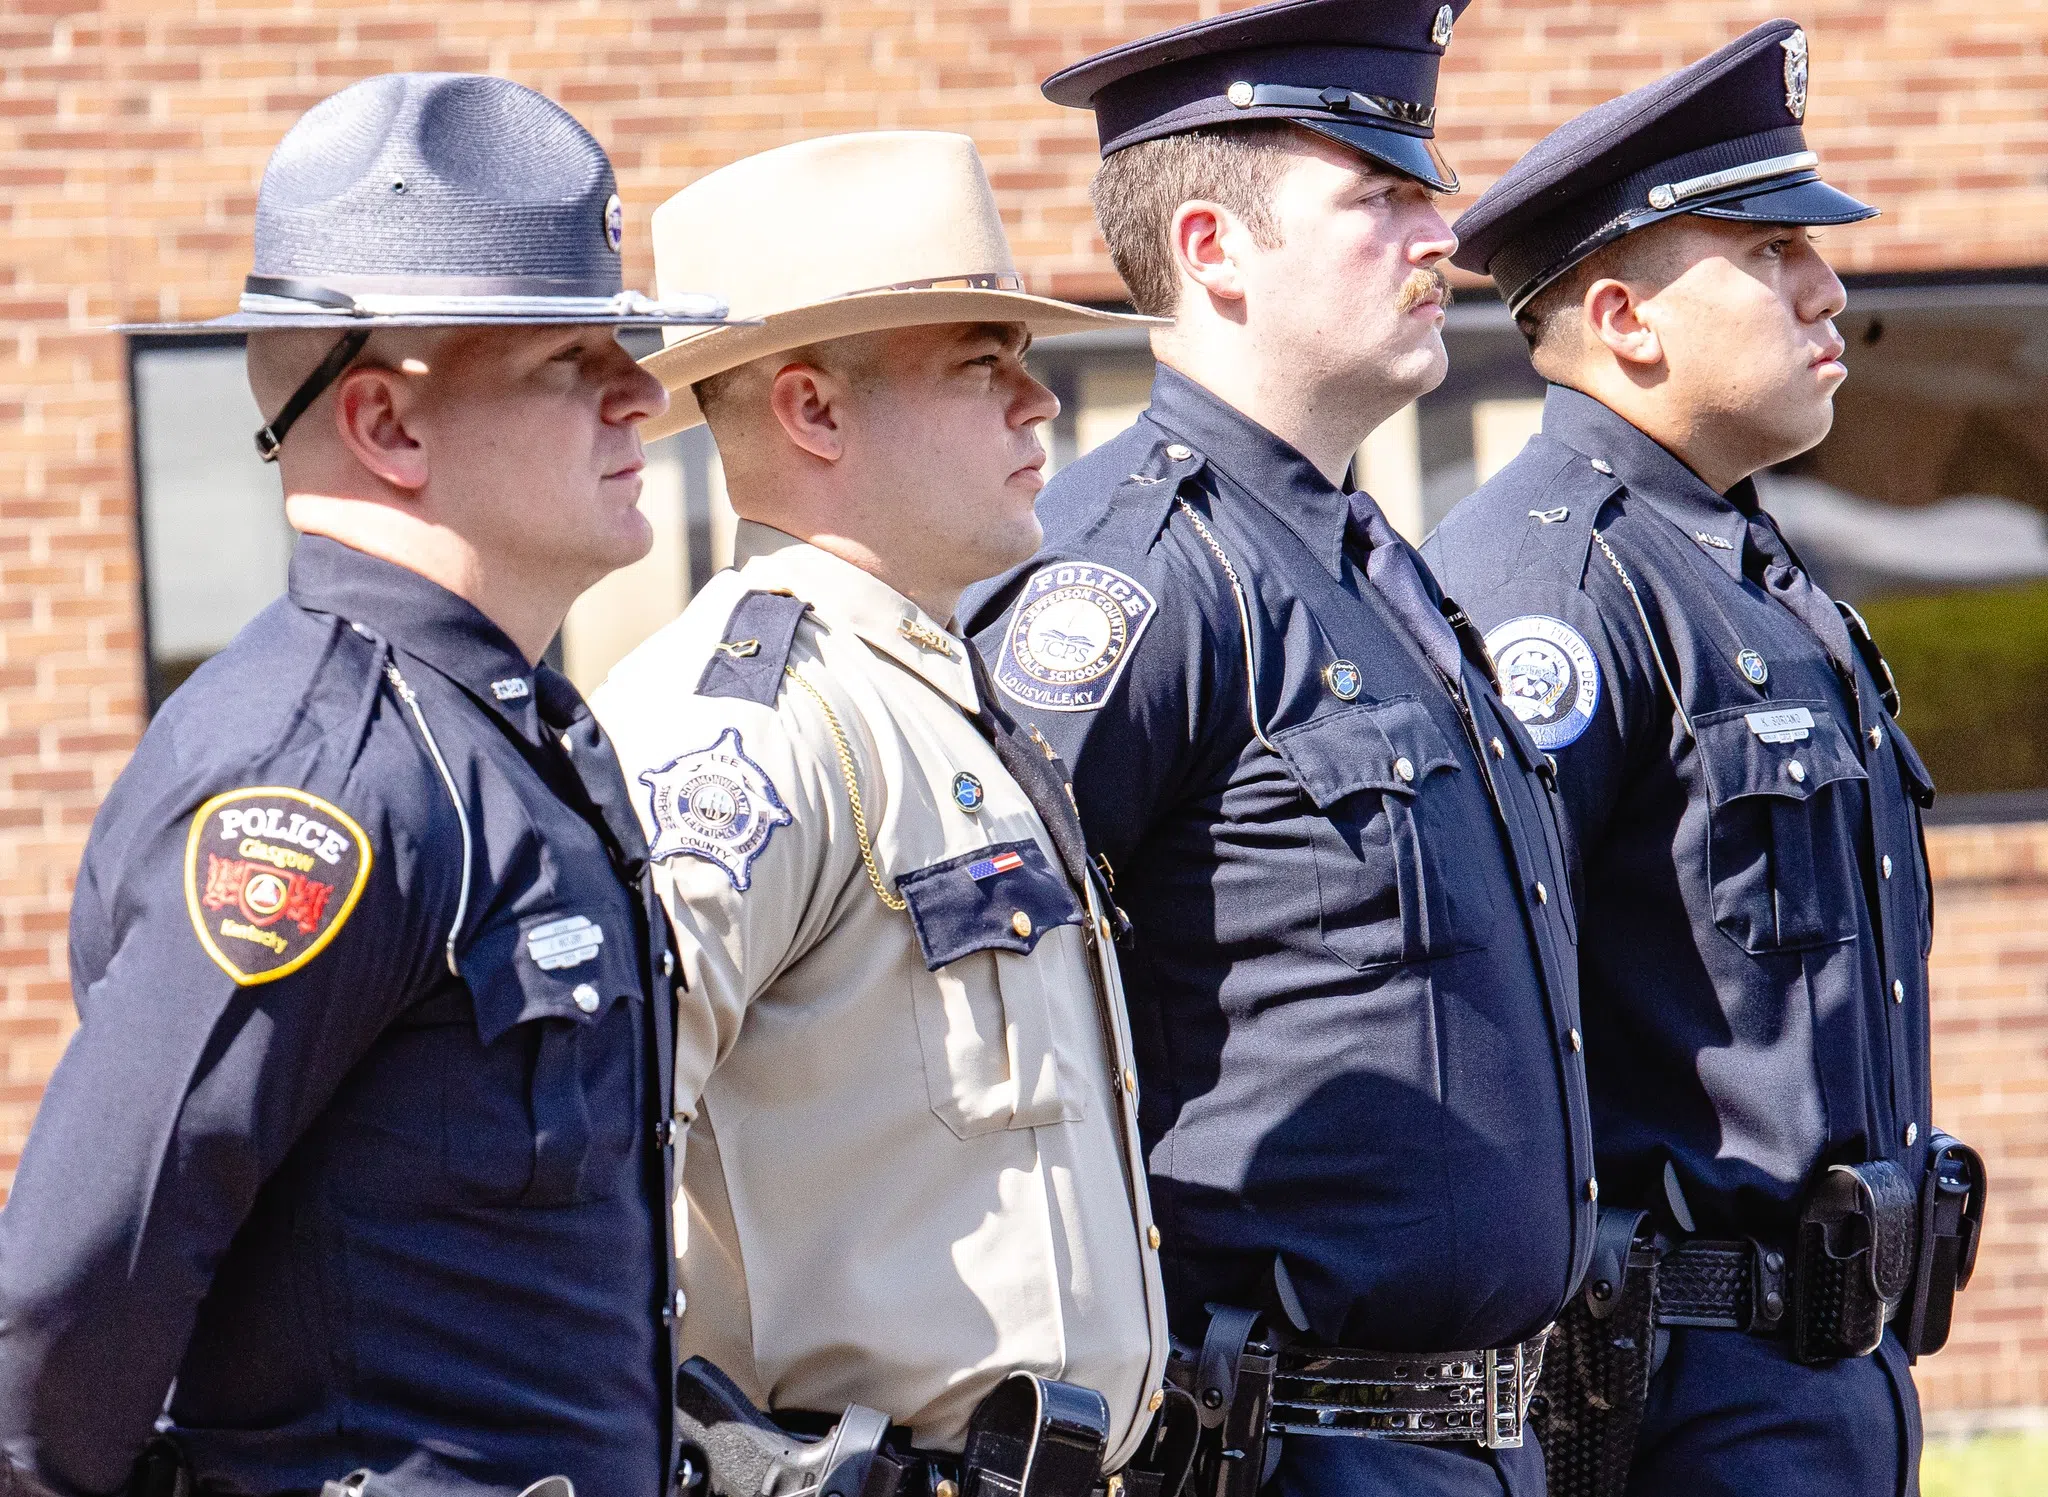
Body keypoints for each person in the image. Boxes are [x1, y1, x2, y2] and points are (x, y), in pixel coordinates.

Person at [0, 73, 736, 1497]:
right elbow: (68, 1307)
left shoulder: (494, 734)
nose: (643, 394)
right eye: (568, 362)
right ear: (390, 429)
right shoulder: (327, 779)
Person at [961, 4, 1596, 1494]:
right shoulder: (1132, 580)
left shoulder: (1372, 563)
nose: (1437, 235)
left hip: (1488, 1440)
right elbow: (988, 1032)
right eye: (1379, 197)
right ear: (1213, 249)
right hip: (1285, 1444)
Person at [1425, 22, 1983, 1497]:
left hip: (1822, 1368)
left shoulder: (1739, 563)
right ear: (1626, 319)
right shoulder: (1548, 588)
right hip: (1671, 1391)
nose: (1831, 288)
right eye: (1769, 254)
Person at [592, 132, 1182, 1497]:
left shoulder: (923, 687)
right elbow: (573, 1155)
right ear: (813, 411)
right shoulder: (748, 722)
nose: (1041, 400)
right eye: (983, 363)